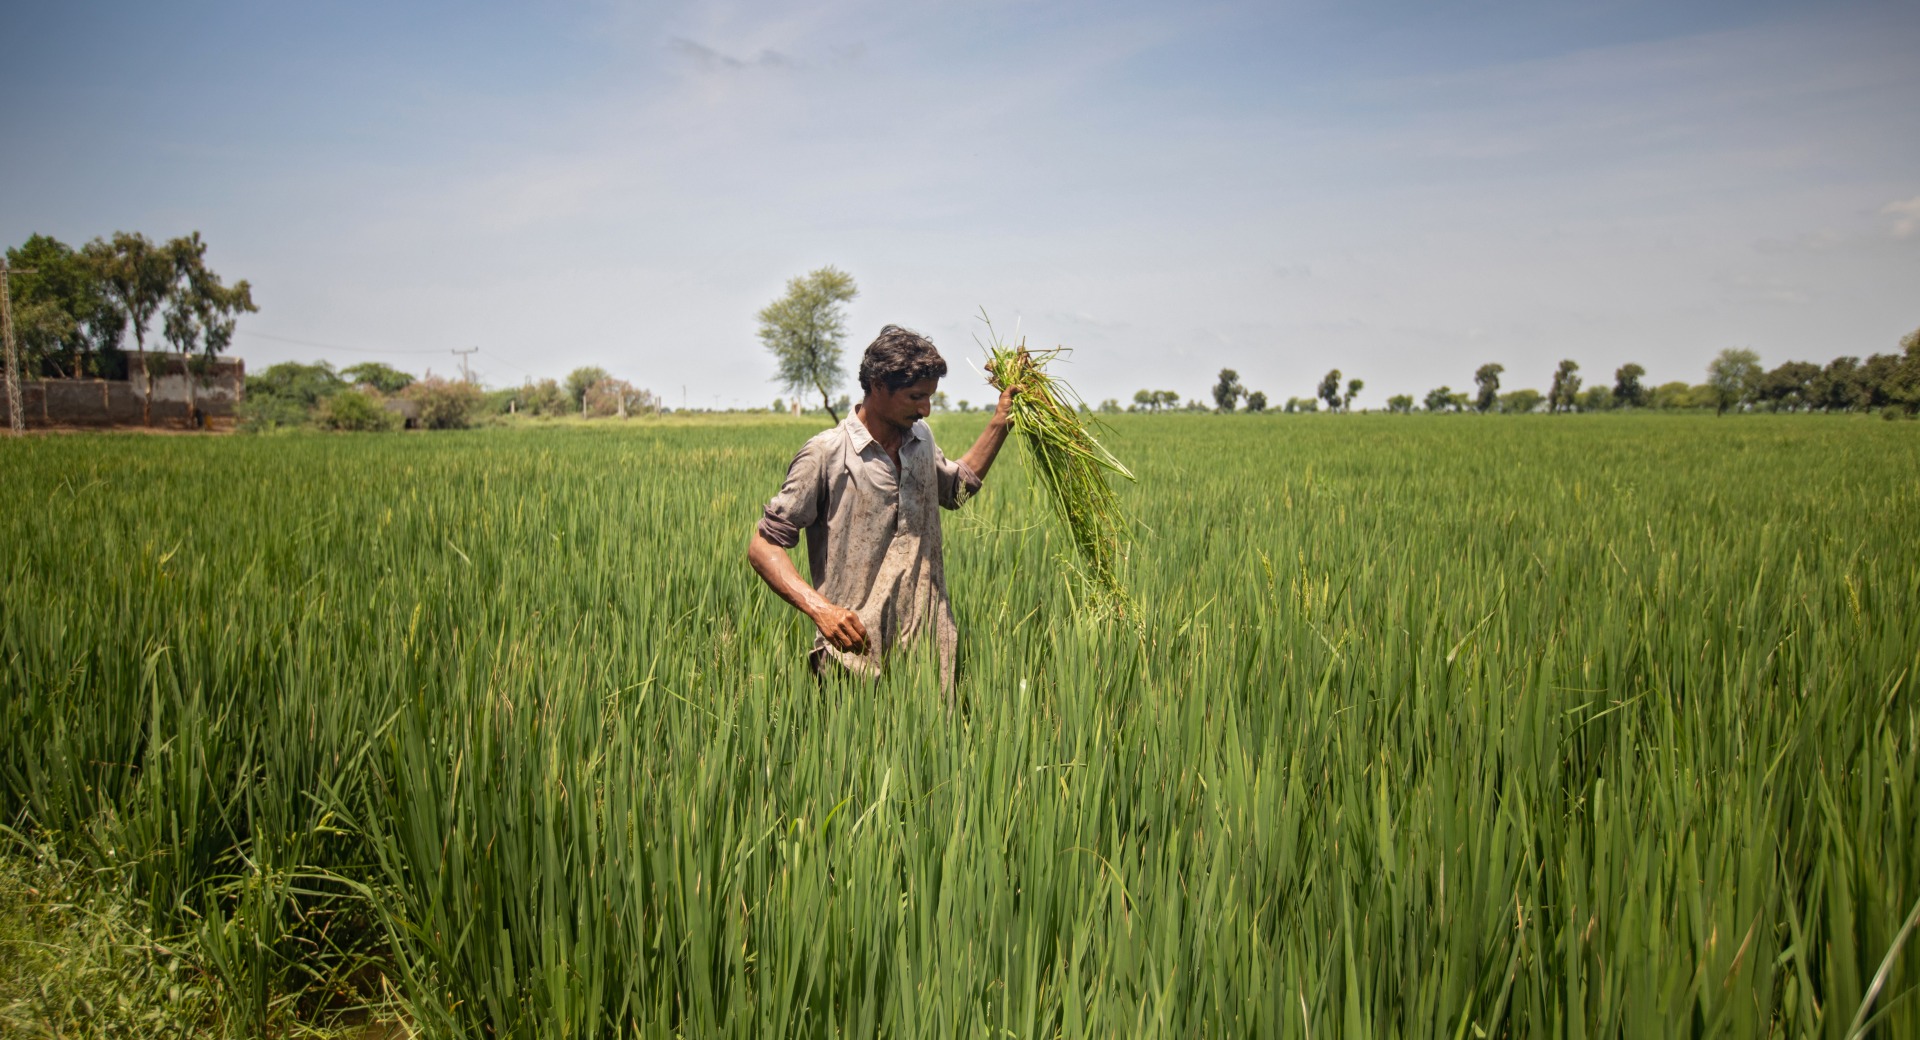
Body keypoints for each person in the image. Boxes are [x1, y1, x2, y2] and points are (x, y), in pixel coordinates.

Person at [747, 325, 1017, 686]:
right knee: (854, 743)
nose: (927, 409)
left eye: (931, 396)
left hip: (928, 651)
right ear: (877, 386)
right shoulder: (827, 454)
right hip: (854, 654)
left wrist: (1001, 420)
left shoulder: (921, 440)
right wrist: (821, 611)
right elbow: (764, 546)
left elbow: (954, 489)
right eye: (915, 397)